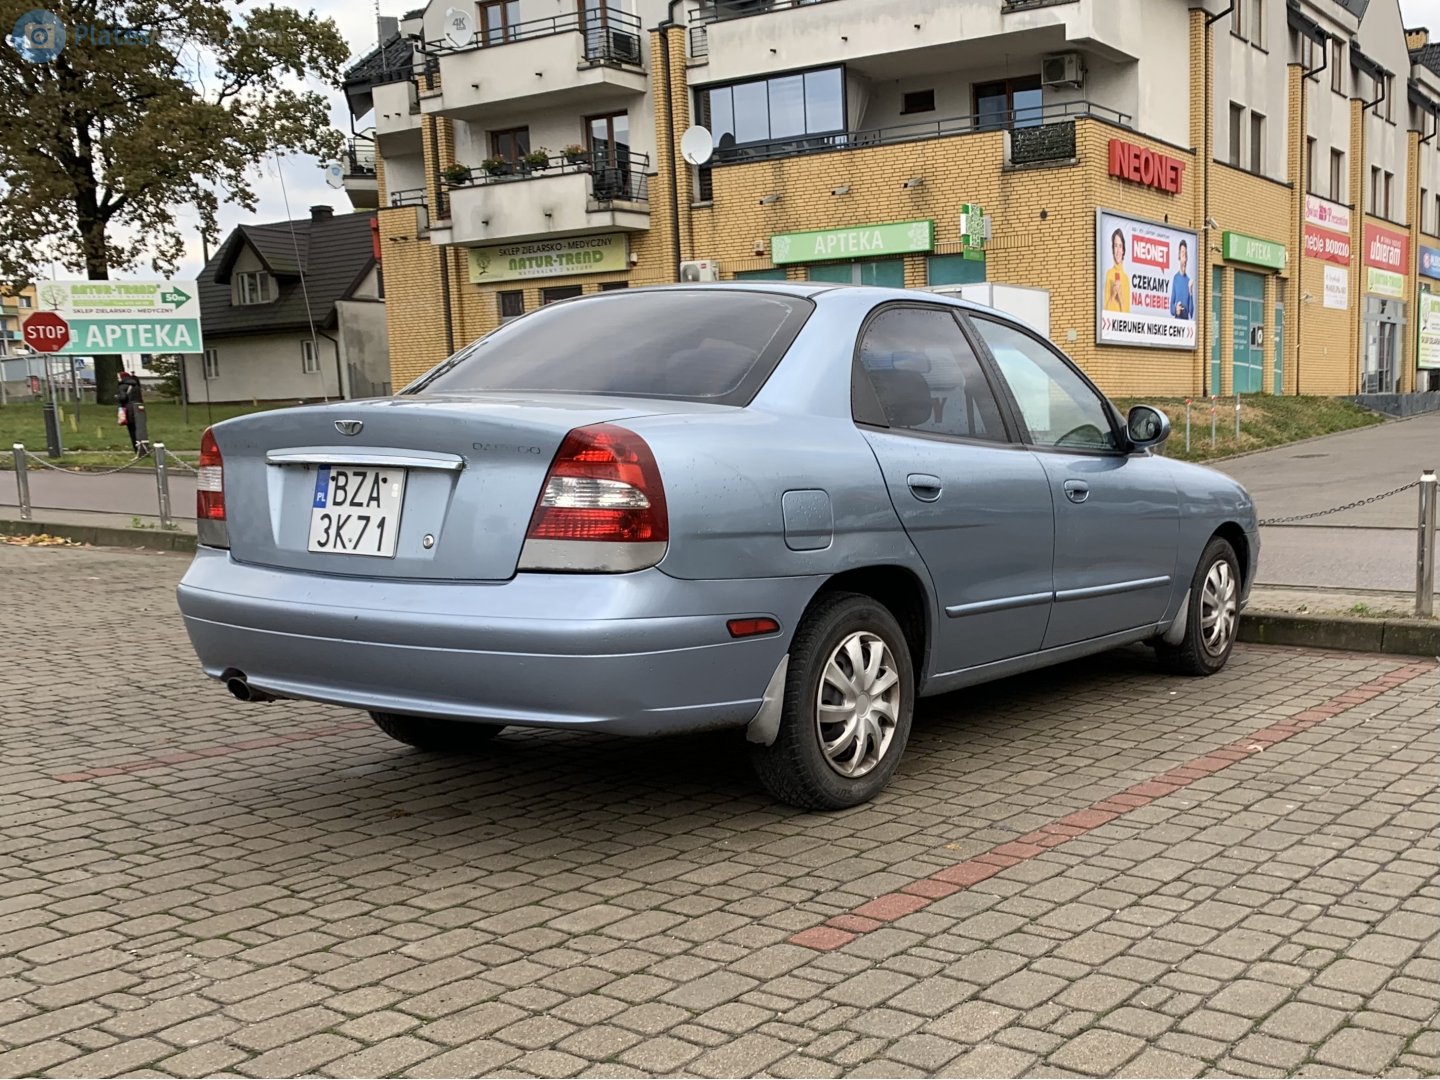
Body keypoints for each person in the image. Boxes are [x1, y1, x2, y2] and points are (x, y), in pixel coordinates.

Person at [116, 370, 148, 455]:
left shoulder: (122, 386)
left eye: (118, 377)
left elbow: (123, 398)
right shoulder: (136, 385)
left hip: (129, 410)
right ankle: (143, 448)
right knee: (140, 429)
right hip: (139, 409)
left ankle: (137, 450)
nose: (118, 379)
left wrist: (117, 397)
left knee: (132, 431)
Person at [1103, 228, 1131, 313]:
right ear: (1112, 249)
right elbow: (1105, 310)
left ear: (1123, 250)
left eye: (1120, 246)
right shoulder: (1108, 274)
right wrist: (1113, 295)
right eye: (1115, 246)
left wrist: (1120, 297)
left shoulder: (1126, 278)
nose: (1118, 250)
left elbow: (1127, 313)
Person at [1170, 239, 1195, 320]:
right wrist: (1176, 309)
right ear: (1179, 257)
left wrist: (1190, 292)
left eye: (1186, 255)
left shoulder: (1188, 281)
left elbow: (1191, 312)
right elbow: (1171, 308)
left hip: (1186, 323)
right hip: (1177, 322)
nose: (1184, 258)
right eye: (1183, 254)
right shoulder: (1175, 278)